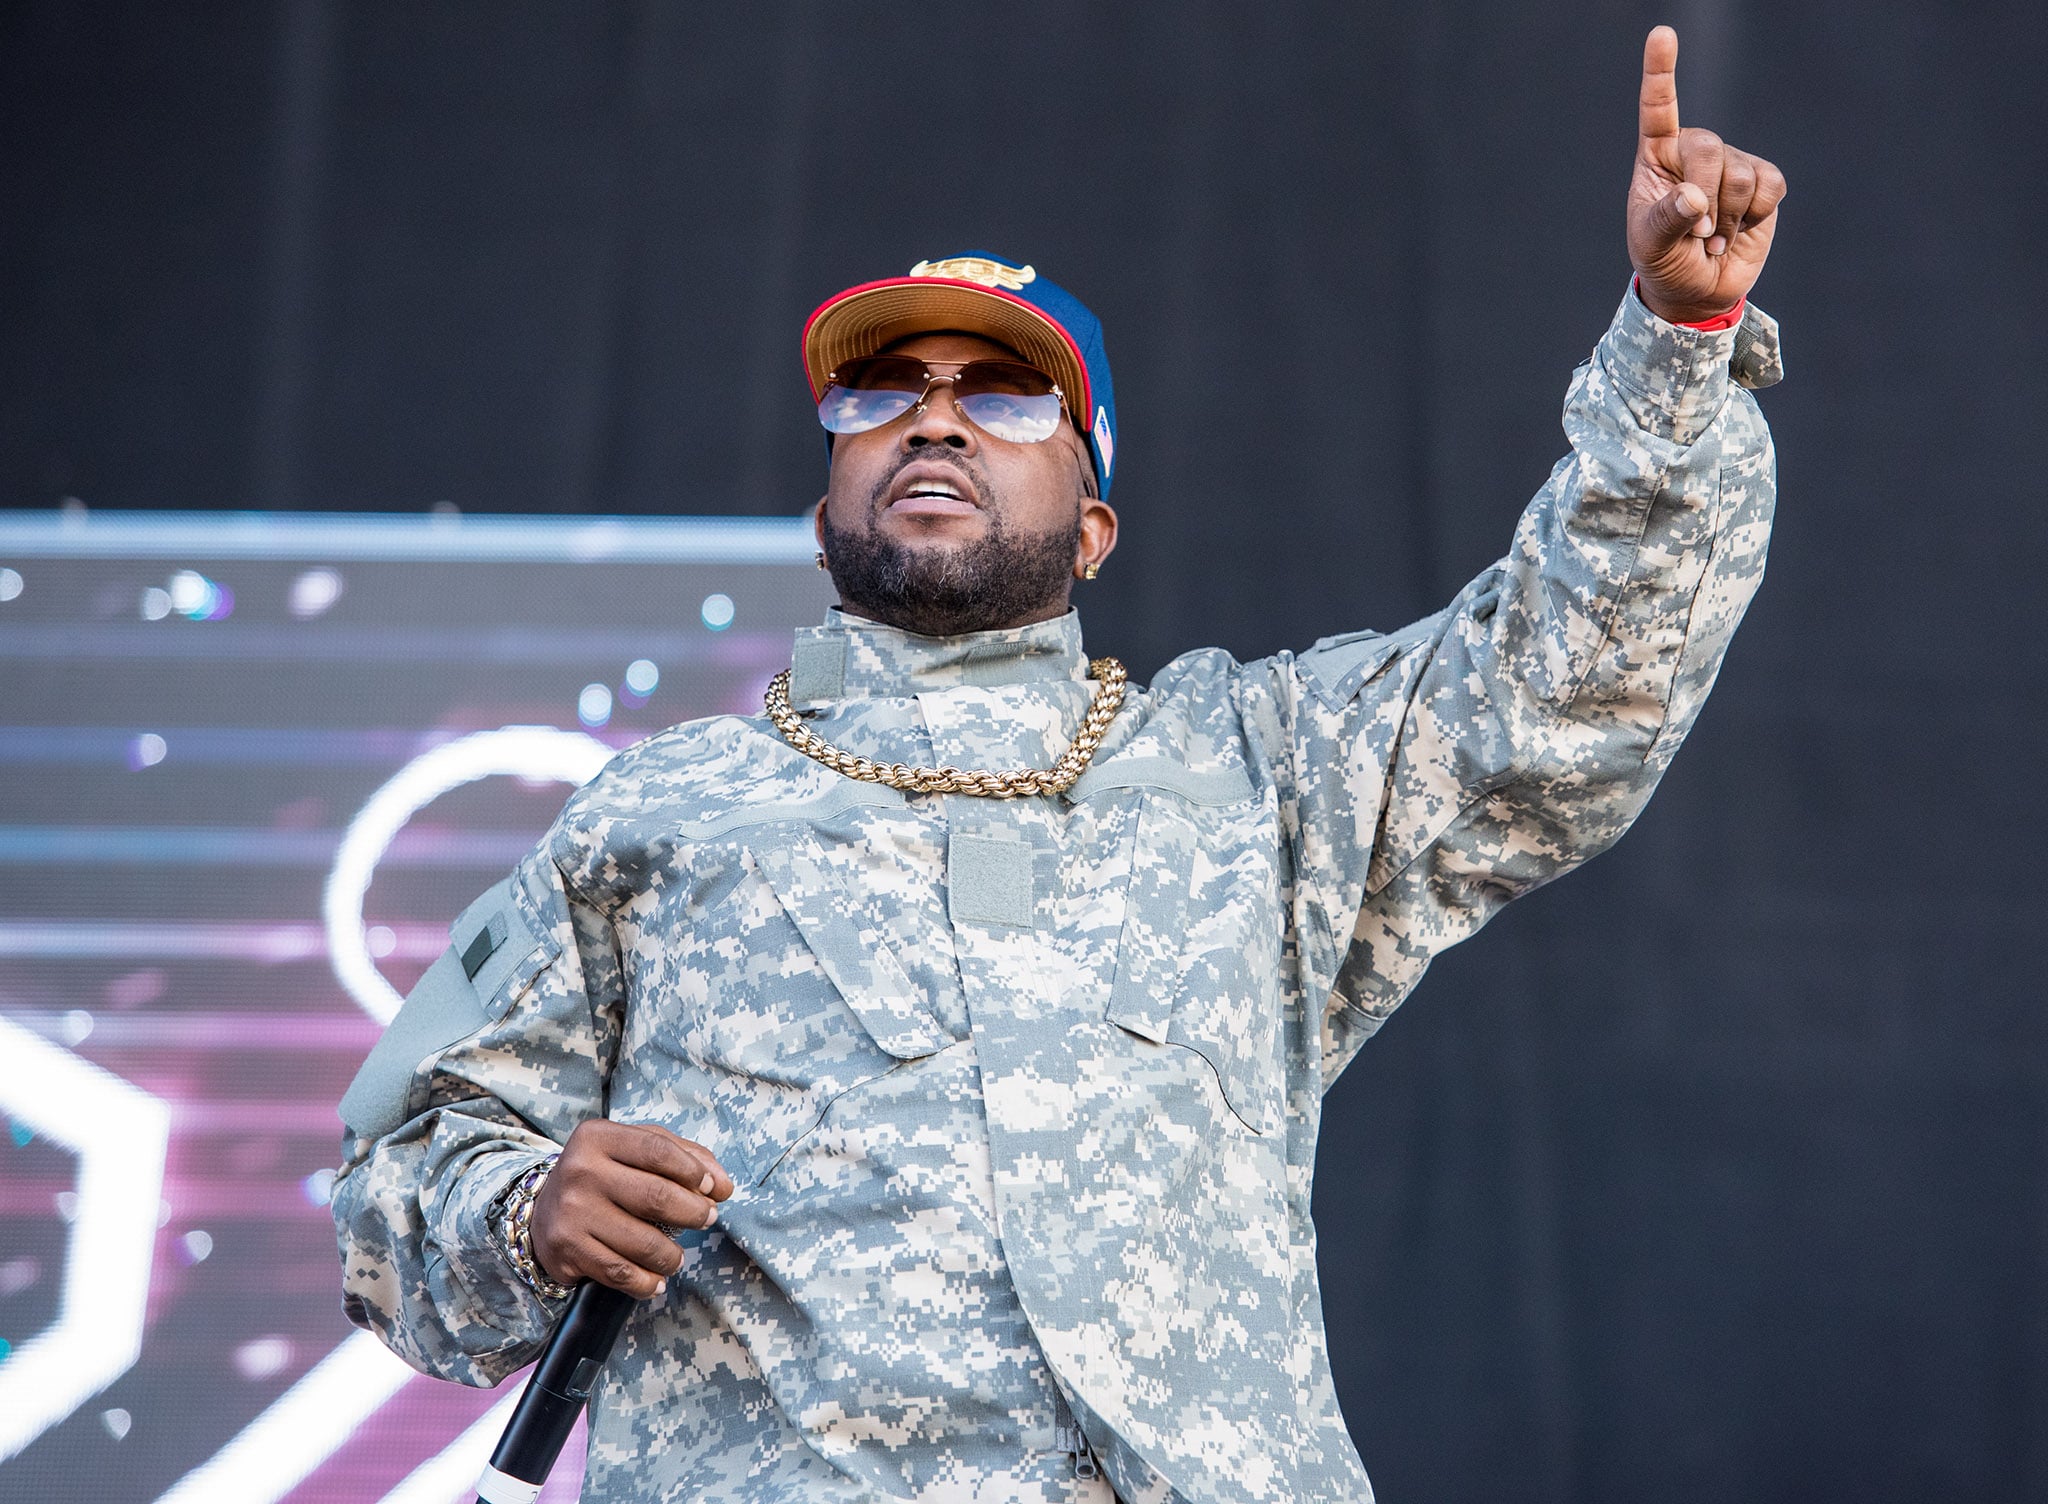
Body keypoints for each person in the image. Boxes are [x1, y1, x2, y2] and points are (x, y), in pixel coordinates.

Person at [332, 27, 1785, 1504]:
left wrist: (1678, 341)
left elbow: (1569, 687)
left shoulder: (1262, 772)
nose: (935, 416)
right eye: (879, 394)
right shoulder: (660, 814)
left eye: (1009, 395)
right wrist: (526, 1213)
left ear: (1093, 526)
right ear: (823, 516)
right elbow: (391, 1201)